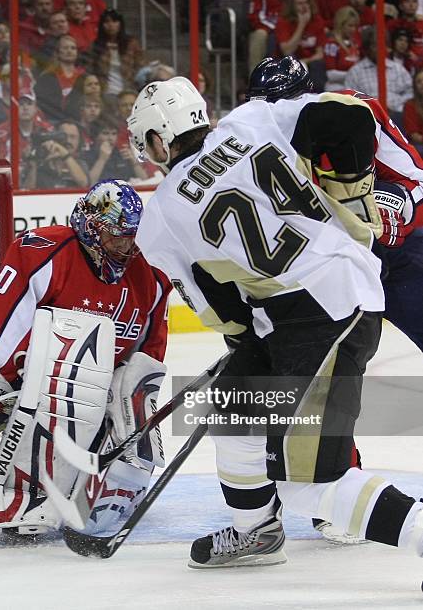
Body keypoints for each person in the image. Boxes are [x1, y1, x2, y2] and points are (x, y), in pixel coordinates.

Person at [127, 75, 423, 571]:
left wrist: (247, 337)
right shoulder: (250, 121)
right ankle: (256, 533)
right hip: (322, 301)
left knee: (311, 485)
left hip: (324, 316)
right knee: (234, 412)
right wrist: (353, 198)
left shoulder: (160, 219)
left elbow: (220, 309)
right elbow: (348, 116)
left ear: (158, 139)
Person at [222, 55, 423, 551]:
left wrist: (385, 213)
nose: (278, 111)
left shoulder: (353, 110)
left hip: (398, 259)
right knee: (326, 376)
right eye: (267, 102)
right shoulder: (252, 139)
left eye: (285, 100)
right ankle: (335, 477)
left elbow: (414, 177)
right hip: (333, 274)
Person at [0, 179, 172, 539]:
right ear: (91, 225)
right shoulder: (45, 252)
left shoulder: (151, 278)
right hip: (32, 390)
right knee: (72, 361)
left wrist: (136, 420)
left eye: (130, 236)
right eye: (116, 236)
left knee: (132, 392)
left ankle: (113, 483)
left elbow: (148, 356)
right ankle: (20, 491)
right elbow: (2, 323)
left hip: (95, 400)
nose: (125, 246)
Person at [345, 27, 413, 126]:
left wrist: (395, 107)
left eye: (382, 45)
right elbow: (349, 99)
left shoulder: (398, 69)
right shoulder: (356, 72)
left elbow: (410, 94)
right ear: (367, 48)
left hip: (397, 117)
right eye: (374, 45)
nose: (379, 49)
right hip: (367, 119)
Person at [0, 88, 53, 188]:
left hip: (41, 176)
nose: (25, 108)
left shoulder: (46, 129)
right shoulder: (1, 131)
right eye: (21, 104)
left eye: (29, 104)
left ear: (36, 108)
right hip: (11, 180)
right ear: (13, 108)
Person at [275, 0, 326, 92]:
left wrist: (305, 61)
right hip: (289, 62)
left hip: (310, 62)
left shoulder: (317, 21)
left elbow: (320, 54)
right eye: (300, 3)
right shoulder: (283, 22)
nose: (304, 6)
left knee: (318, 65)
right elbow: (287, 51)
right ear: (292, 6)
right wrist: (302, 24)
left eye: (306, 3)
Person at [91, 9, 144, 97]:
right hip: (104, 93)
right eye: (107, 22)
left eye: (114, 21)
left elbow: (140, 66)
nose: (111, 25)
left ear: (120, 24)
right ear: (102, 25)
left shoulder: (131, 44)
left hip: (129, 91)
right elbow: (91, 70)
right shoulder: (96, 45)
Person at [34, 34, 85, 123]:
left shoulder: (85, 77)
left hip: (78, 122)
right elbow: (42, 104)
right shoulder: (47, 77)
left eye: (73, 48)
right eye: (65, 48)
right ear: (57, 52)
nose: (69, 51)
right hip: (52, 121)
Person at [86, 114, 148, 183]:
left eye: (114, 134)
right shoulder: (87, 155)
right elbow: (89, 184)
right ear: (95, 136)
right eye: (105, 133)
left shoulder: (122, 154)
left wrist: (133, 161)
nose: (110, 138)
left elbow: (145, 181)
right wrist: (102, 159)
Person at [35, 119, 89, 188]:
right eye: (64, 136)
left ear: (79, 142)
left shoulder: (81, 165)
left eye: (73, 137)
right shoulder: (42, 163)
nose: (68, 141)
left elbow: (84, 183)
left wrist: (64, 154)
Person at [323, 6, 361, 92]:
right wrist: (353, 74)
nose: (353, 29)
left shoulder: (355, 44)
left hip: (353, 87)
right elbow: (330, 74)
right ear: (341, 24)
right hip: (335, 88)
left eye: (355, 26)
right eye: (350, 26)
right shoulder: (332, 45)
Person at [403, 68, 423, 153]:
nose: (422, 84)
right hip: (419, 144)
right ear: (415, 86)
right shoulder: (410, 105)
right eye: (419, 82)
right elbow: (414, 135)